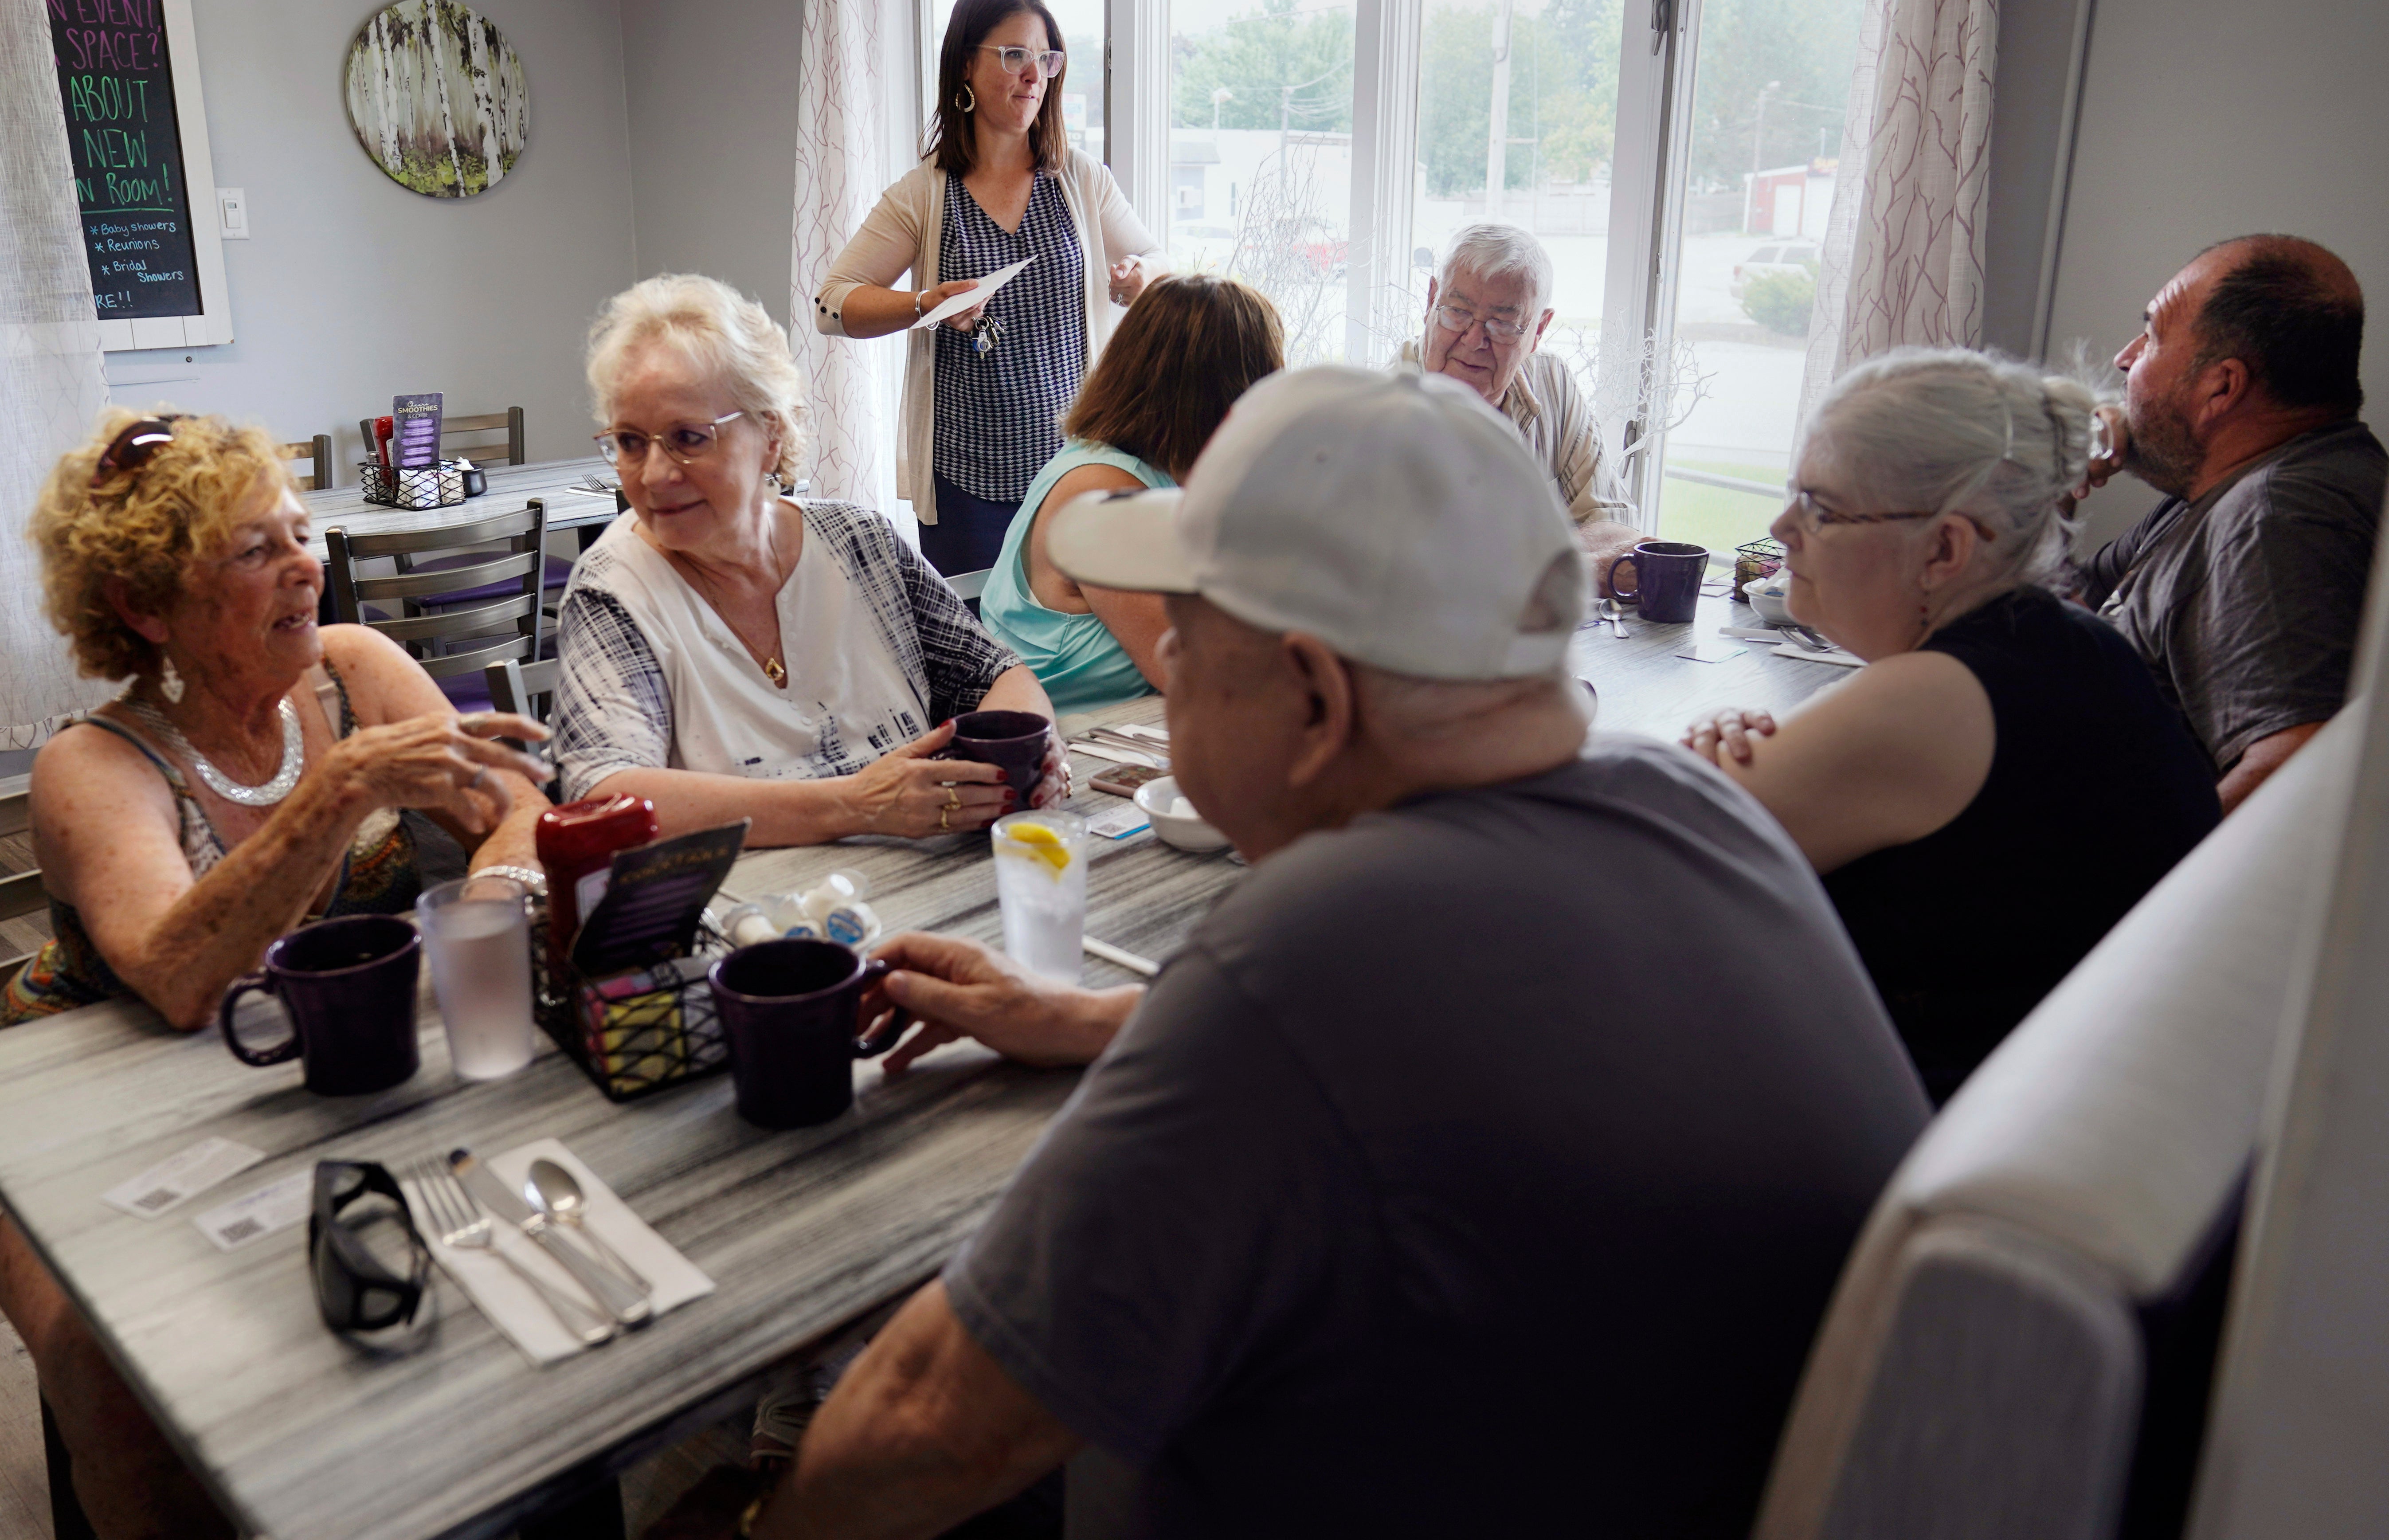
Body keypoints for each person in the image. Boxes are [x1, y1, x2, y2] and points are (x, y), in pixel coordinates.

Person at [741, 368, 1931, 1539]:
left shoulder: (1318, 946)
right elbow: (1445, 1067)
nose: (1169, 673)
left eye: (1188, 642)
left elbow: (935, 1425)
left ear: (1311, 695)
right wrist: (1096, 1020)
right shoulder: (1689, 802)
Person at [2, 408, 554, 1537]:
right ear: (146, 607)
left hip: (303, 1059)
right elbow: (178, 974)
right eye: (255, 550)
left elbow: (521, 812)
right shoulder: (93, 763)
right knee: (107, 1368)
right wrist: (340, 791)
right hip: (82, 1106)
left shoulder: (354, 669)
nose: (306, 564)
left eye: (300, 533)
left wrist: (486, 917)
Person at [1683, 349, 2220, 1103]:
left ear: (1944, 549)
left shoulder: (1936, 698)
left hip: (1940, 1142)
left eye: (1821, 507)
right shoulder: (2066, 647)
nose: (1780, 526)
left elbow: (1641, 864)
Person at [552, 274, 1063, 844]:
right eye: (629, 442)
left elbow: (996, 672)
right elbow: (606, 795)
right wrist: (858, 805)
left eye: (689, 438)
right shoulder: (614, 592)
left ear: (771, 434)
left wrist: (1035, 742)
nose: (653, 474)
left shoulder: (857, 541)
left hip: (926, 884)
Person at [812, 0, 1162, 575]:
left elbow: (1158, 265)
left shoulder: (1080, 181)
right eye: (1013, 55)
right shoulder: (923, 195)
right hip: (965, 489)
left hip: (1076, 472)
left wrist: (1140, 276)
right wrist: (924, 303)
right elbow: (832, 305)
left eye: (1045, 58)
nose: (1033, 74)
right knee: (981, 660)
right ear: (966, 67)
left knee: (1077, 657)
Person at [2073, 234, 2382, 812]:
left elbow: (2297, 770)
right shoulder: (2221, 489)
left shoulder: (2275, 515)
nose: (2125, 356)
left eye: (2154, 335)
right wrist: (2056, 487)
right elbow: (2058, 623)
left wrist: (2148, 892)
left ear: (2222, 386)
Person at [979, 273, 1283, 707]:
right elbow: (1200, 674)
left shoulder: (1152, 466)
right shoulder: (1106, 496)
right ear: (1221, 396)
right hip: (1068, 745)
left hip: (1126, 725)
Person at [1396, 220, 1647, 583]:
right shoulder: (1378, 411)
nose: (1473, 340)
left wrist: (1534, 573)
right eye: (1458, 311)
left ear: (1538, 331)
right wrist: (1583, 570)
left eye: (1502, 323)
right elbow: (1428, 580)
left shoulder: (1552, 382)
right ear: (1431, 299)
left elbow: (1616, 525)